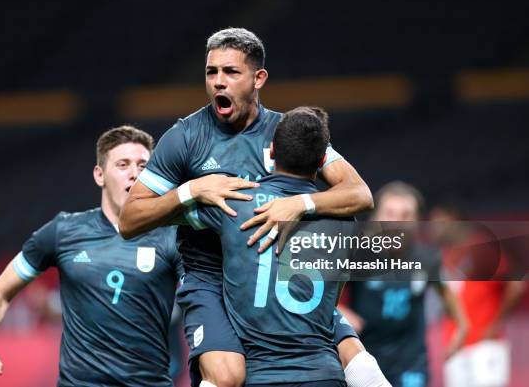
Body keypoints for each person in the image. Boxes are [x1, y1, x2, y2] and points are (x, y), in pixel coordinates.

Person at [120, 28, 377, 387]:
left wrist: (298, 204)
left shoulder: (285, 133)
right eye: (212, 73)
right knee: (227, 377)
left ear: (258, 78)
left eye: (231, 72)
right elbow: (130, 219)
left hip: (271, 276)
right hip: (209, 275)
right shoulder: (185, 137)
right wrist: (191, 190)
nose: (218, 83)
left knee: (361, 362)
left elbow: (359, 193)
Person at [0, 126, 183, 387]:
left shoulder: (173, 236)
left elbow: (209, 300)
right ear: (99, 175)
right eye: (123, 165)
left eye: (143, 166)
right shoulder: (64, 232)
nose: (134, 174)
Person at [183, 107, 390, 386]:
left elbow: (154, 217)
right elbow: (332, 301)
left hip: (263, 375)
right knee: (361, 363)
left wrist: (193, 190)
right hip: (323, 375)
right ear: (321, 163)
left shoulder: (234, 203)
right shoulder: (344, 219)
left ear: (270, 153)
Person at [339, 182, 468, 387]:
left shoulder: (427, 258)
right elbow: (326, 298)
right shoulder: (357, 255)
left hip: (410, 361)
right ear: (375, 218)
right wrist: (341, 310)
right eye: (390, 213)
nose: (397, 221)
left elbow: (446, 292)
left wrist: (462, 326)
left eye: (406, 214)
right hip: (364, 358)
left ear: (417, 221)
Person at [430, 205, 526, 387]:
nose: (435, 228)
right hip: (456, 345)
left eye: (440, 222)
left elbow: (516, 284)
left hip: (484, 345)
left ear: (453, 218)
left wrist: (496, 324)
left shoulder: (481, 247)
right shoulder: (444, 254)